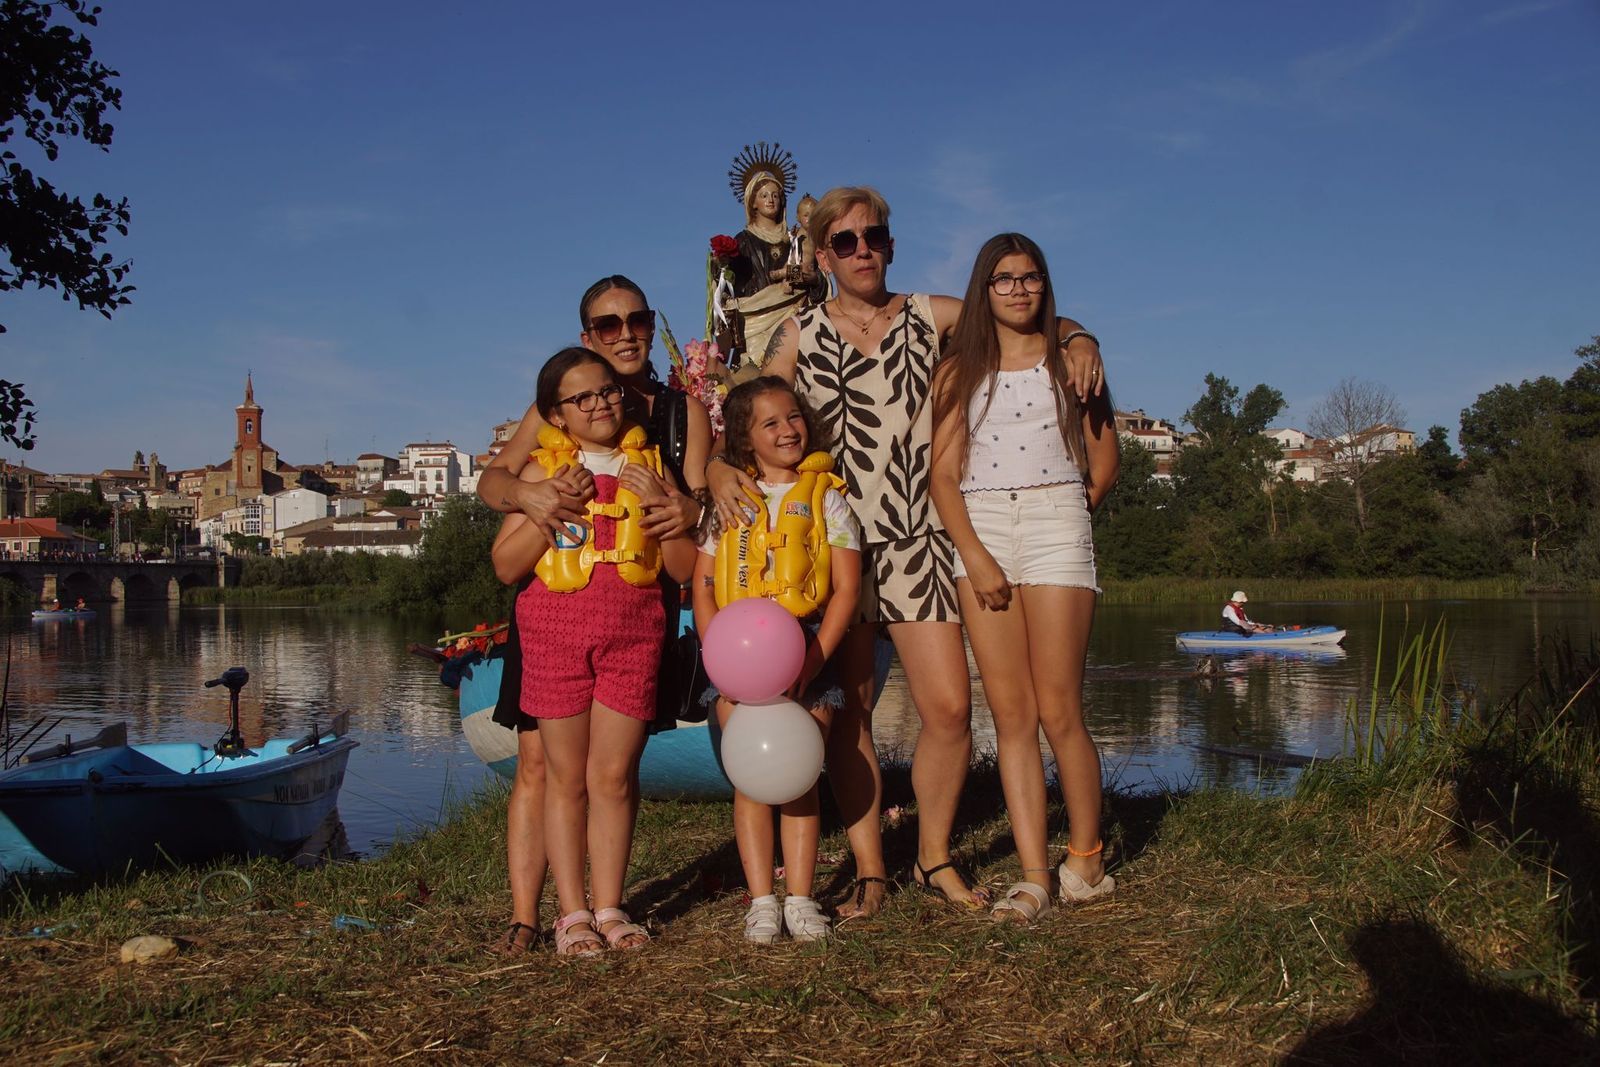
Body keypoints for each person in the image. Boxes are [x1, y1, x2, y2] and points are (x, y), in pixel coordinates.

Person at [708, 186, 1106, 913]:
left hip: (920, 538)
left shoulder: (932, 314)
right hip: (832, 543)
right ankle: (869, 869)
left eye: (874, 237)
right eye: (846, 241)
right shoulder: (798, 333)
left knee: (950, 709)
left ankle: (932, 856)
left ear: (890, 245)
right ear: (821, 255)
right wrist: (714, 468)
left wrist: (1081, 339)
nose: (862, 251)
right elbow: (746, 408)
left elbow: (1025, 318)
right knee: (853, 712)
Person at [476, 275, 711, 953]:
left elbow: (693, 521)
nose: (626, 333)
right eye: (609, 325)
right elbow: (497, 488)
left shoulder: (676, 417)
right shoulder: (554, 418)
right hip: (556, 620)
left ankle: (605, 907)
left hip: (636, 620)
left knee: (612, 774)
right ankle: (543, 914)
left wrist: (680, 509)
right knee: (545, 768)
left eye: (637, 319)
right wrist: (536, 497)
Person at [929, 233, 1120, 922]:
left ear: (1045, 284)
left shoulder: (1072, 361)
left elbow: (1105, 459)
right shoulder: (958, 371)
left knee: (1060, 707)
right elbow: (942, 476)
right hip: (980, 528)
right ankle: (1035, 876)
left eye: (1030, 277)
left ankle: (1086, 857)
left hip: (1056, 520)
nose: (1018, 289)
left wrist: (1066, 514)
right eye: (1004, 278)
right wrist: (976, 554)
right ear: (984, 289)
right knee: (1011, 715)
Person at [693, 377, 861, 943]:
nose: (788, 429)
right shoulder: (727, 500)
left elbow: (845, 590)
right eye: (770, 423)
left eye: (793, 417)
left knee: (800, 775)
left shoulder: (827, 498)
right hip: (736, 653)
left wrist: (812, 661)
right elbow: (704, 586)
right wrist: (720, 657)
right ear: (745, 438)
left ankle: (802, 899)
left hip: (806, 643)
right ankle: (762, 900)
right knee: (750, 779)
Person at [726, 144, 827, 367]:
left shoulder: (795, 239)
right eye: (764, 195)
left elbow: (817, 279)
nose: (770, 200)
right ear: (753, 202)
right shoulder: (742, 241)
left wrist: (812, 279)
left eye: (775, 195)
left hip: (794, 316)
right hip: (755, 322)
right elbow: (730, 288)